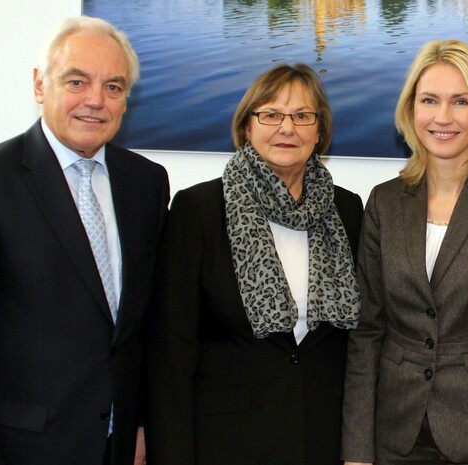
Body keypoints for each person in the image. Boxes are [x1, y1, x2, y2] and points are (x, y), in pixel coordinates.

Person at [0, 16, 170, 465]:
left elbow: (140, 328)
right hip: (14, 451)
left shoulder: (146, 184)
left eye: (113, 87)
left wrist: (141, 425)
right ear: (40, 85)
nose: (95, 101)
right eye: (77, 81)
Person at [342, 40, 468, 465]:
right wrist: (357, 450)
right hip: (395, 435)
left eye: (460, 101)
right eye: (429, 100)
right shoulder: (384, 202)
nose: (442, 117)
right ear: (410, 111)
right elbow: (367, 332)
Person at [144, 63, 363, 465]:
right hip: (226, 442)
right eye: (270, 114)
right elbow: (170, 352)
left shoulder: (347, 209)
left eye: (302, 116)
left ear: (320, 131)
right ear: (247, 127)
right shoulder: (199, 210)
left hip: (322, 436)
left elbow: (352, 343)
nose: (287, 127)